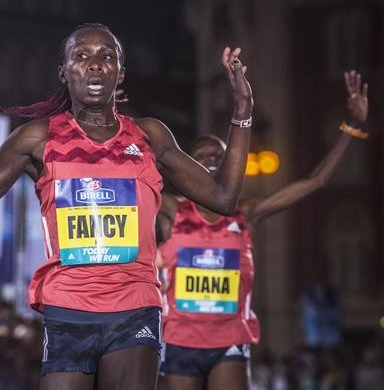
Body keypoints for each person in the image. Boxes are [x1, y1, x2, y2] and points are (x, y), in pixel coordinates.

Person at [0, 23, 253, 390]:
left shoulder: (150, 137)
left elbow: (223, 198)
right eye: (81, 56)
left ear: (120, 72)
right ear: (63, 71)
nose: (94, 64)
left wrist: (242, 112)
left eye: (106, 56)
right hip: (68, 310)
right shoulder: (38, 138)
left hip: (135, 308)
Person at [156, 70, 369, 390]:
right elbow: (128, 178)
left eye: (219, 155)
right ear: (188, 167)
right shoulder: (172, 210)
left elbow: (315, 181)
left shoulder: (246, 214)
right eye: (201, 157)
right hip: (179, 339)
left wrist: (351, 128)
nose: (211, 160)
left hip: (229, 340)